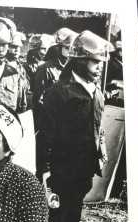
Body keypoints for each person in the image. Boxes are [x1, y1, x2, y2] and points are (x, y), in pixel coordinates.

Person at [38, 30, 111, 222]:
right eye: (95, 61)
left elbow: (97, 126)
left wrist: (101, 150)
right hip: (61, 169)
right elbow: (46, 135)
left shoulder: (95, 89)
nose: (99, 67)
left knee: (73, 213)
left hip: (84, 167)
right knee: (54, 213)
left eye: (101, 62)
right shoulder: (59, 93)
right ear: (80, 60)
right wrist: (46, 169)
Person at [32, 27, 78, 179]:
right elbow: (37, 98)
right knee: (43, 162)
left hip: (68, 123)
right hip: (48, 121)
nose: (70, 51)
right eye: (67, 48)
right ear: (60, 48)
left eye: (73, 48)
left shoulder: (76, 69)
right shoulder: (45, 68)